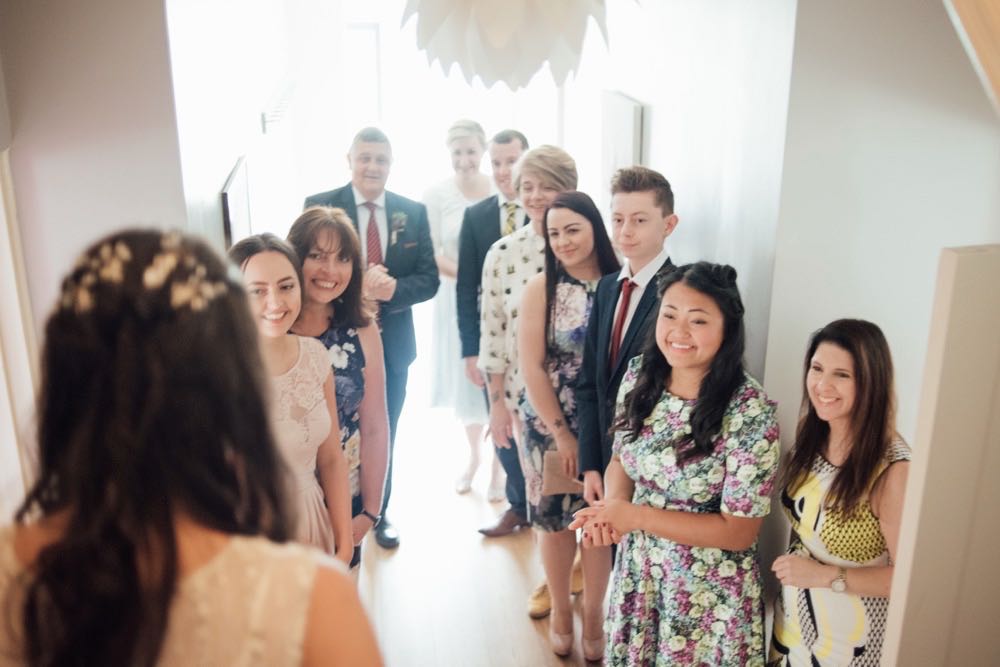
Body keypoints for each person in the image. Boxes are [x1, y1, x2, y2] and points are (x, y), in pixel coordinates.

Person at [0, 229, 382, 666]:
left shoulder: (12, 570)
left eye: (283, 286)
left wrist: (345, 537)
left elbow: (332, 456)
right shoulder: (311, 597)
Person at [571, 262, 780, 666]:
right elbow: (622, 459)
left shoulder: (749, 410)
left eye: (697, 320)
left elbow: (739, 532)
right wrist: (612, 513)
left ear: (727, 328)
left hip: (707, 600)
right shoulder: (639, 375)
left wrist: (634, 516)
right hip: (639, 576)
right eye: (669, 315)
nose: (679, 332)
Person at [304, 127, 440, 550]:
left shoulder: (411, 212)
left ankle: (376, 510)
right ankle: (318, 509)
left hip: (391, 346)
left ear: (391, 164)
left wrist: (394, 289)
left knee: (382, 428)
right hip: (328, 336)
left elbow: (430, 280)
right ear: (349, 160)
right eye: (364, 157)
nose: (372, 166)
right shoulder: (320, 205)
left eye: (381, 159)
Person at [478, 144, 583, 618]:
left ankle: (584, 576)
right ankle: (553, 583)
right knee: (547, 503)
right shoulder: (502, 255)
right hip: (531, 403)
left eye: (548, 186)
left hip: (590, 400)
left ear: (570, 188)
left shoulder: (593, 251)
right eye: (527, 186)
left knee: (592, 500)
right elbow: (493, 332)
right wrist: (496, 402)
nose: (536, 196)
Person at [769, 319, 910, 666]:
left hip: (851, 646)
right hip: (793, 632)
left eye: (842, 375)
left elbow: (909, 579)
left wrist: (823, 576)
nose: (822, 385)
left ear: (871, 382)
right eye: (817, 368)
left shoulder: (892, 470)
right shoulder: (813, 435)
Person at [517, 192, 620, 659]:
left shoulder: (621, 285)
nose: (563, 241)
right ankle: (561, 607)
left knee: (600, 522)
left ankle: (594, 613)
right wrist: (562, 434)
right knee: (555, 522)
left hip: (609, 426)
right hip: (550, 425)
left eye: (572, 229)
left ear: (595, 227)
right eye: (554, 233)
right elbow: (532, 367)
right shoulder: (543, 287)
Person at [229, 234, 354, 566]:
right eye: (257, 291)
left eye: (286, 287)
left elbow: (331, 458)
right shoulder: (214, 373)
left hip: (314, 522)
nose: (275, 303)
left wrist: (344, 544)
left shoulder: (315, 356)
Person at [287, 206, 390, 570]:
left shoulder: (362, 329)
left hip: (346, 497)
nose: (331, 271)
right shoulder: (272, 328)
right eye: (317, 256)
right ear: (295, 258)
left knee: (341, 596)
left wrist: (370, 511)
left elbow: (375, 425)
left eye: (343, 258)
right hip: (285, 502)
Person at [577, 167, 678, 510]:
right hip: (605, 457)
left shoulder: (679, 291)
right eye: (618, 220)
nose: (625, 231)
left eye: (639, 220)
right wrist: (591, 463)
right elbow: (590, 383)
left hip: (651, 464)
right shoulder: (608, 287)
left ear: (668, 225)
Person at [456, 128, 531, 531]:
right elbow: (466, 287)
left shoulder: (551, 212)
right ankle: (519, 504)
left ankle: (546, 507)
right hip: (493, 341)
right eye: (497, 163)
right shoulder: (477, 216)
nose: (503, 171)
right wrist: (471, 350)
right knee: (500, 426)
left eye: (512, 162)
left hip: (537, 344)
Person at [422, 120, 493, 494]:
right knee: (469, 379)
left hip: (499, 297)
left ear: (483, 151)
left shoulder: (498, 188)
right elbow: (431, 253)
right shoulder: (436, 195)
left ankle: (500, 465)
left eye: (471, 152)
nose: (465, 160)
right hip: (456, 297)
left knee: (500, 374)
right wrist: (472, 279)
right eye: (457, 153)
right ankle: (474, 456)